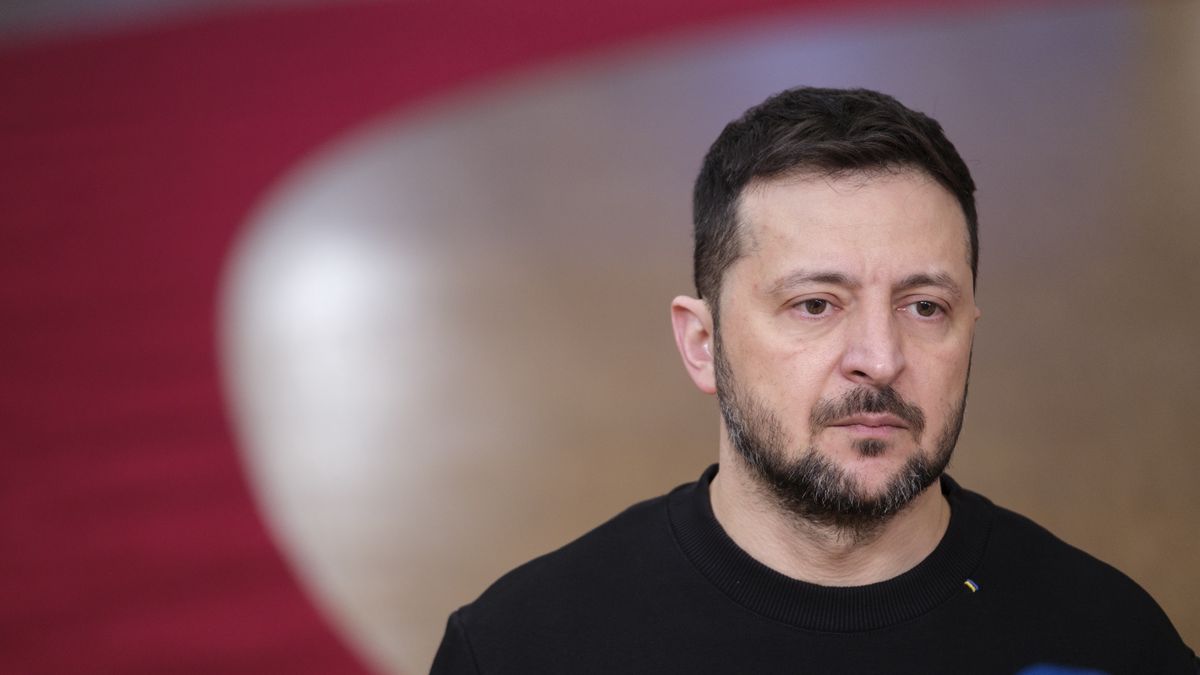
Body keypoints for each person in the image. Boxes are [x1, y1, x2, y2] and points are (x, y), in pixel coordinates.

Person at [430, 86, 1196, 674]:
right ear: (702, 343)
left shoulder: (1110, 642)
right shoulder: (522, 649)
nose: (880, 357)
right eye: (815, 304)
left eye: (924, 306)